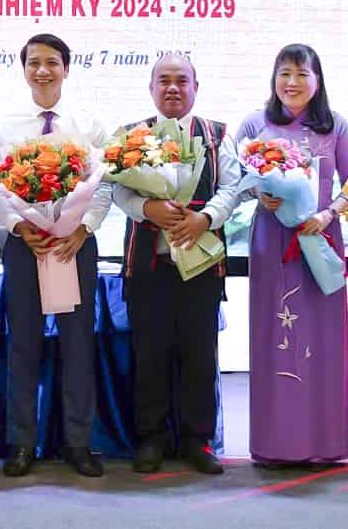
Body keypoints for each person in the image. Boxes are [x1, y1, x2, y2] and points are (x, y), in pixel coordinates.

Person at [0, 34, 111, 478]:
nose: (43, 70)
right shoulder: (4, 127)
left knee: (78, 347)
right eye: (34, 62)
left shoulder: (89, 123)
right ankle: (22, 443)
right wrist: (19, 226)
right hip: (26, 246)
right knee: (24, 346)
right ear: (23, 70)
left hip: (75, 246)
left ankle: (78, 443)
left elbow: (105, 185)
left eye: (52, 62)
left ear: (66, 68)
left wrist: (84, 228)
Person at [110, 51, 239, 476]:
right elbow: (117, 193)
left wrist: (206, 218)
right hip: (149, 265)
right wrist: (148, 207)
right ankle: (151, 438)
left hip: (202, 265)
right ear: (151, 88)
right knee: (150, 353)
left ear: (195, 88)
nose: (172, 88)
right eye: (163, 80)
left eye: (181, 80)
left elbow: (231, 188)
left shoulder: (219, 134)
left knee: (199, 352)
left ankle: (197, 439)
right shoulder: (131, 136)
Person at [235, 43, 348, 467]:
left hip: (320, 239)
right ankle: (276, 444)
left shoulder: (335, 126)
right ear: (274, 79)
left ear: (318, 81)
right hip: (273, 242)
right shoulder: (255, 123)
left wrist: (328, 214)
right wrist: (258, 192)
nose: (292, 82)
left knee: (323, 340)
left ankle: (324, 444)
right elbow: (234, 178)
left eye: (302, 74)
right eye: (284, 73)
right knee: (275, 338)